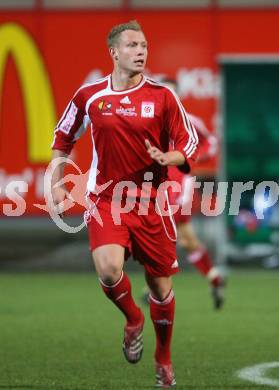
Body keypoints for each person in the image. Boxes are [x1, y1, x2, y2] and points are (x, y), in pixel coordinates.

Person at [50, 21, 199, 387]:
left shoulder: (163, 97)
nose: (141, 50)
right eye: (132, 45)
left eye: (144, 45)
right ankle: (133, 319)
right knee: (108, 269)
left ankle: (163, 357)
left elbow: (189, 143)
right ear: (114, 52)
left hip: (151, 203)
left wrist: (169, 156)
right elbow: (62, 138)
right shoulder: (89, 96)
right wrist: (55, 181)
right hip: (107, 201)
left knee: (161, 288)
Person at [142, 77, 224, 309]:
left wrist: (194, 156)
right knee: (182, 239)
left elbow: (211, 142)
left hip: (179, 185)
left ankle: (156, 285)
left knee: (174, 235)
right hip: (154, 185)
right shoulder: (149, 121)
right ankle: (214, 278)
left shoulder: (188, 120)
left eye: (173, 93)